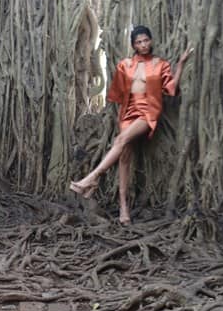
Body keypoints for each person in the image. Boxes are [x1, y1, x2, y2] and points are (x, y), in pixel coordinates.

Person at [70, 25, 193, 225]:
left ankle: (92, 177)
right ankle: (123, 208)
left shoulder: (160, 64)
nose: (143, 44)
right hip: (128, 113)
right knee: (124, 155)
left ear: (151, 41)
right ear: (133, 45)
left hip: (149, 111)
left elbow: (170, 88)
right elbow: (118, 94)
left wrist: (180, 64)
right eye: (139, 42)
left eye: (146, 40)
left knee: (121, 140)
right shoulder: (125, 65)